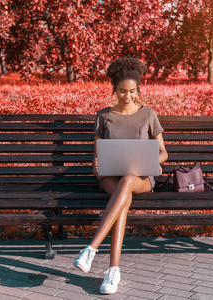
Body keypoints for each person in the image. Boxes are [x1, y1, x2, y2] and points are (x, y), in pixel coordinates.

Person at [73, 57, 169, 295]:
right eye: (122, 91)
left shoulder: (148, 114)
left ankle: (91, 249)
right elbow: (97, 152)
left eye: (133, 91)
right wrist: (96, 165)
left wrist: (153, 162)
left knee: (126, 183)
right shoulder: (103, 116)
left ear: (138, 90)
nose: (127, 96)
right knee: (121, 197)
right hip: (109, 177)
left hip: (140, 179)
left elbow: (163, 153)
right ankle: (112, 271)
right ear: (114, 89)